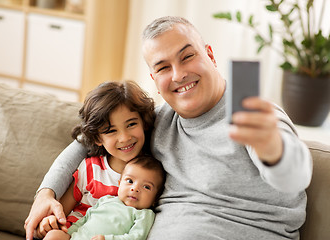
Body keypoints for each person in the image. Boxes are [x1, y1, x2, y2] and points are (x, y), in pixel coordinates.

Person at [25, 16, 312, 240]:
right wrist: (45, 194)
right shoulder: (159, 120)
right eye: (163, 67)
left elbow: (293, 175)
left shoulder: (250, 113)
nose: (178, 74)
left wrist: (272, 149)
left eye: (187, 56)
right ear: (154, 79)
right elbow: (84, 142)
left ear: (210, 55)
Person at [31, 80, 155, 239]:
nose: (124, 138)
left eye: (131, 124)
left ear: (143, 122)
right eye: (111, 131)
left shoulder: (150, 175)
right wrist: (49, 222)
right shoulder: (89, 168)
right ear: (97, 138)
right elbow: (61, 212)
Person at [37, 155, 165, 240]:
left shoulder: (144, 214)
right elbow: (85, 219)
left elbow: (137, 237)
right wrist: (69, 233)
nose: (135, 188)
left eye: (146, 187)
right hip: (76, 237)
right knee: (54, 235)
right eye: (130, 181)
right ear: (119, 184)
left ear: (155, 199)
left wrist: (107, 239)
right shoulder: (107, 200)